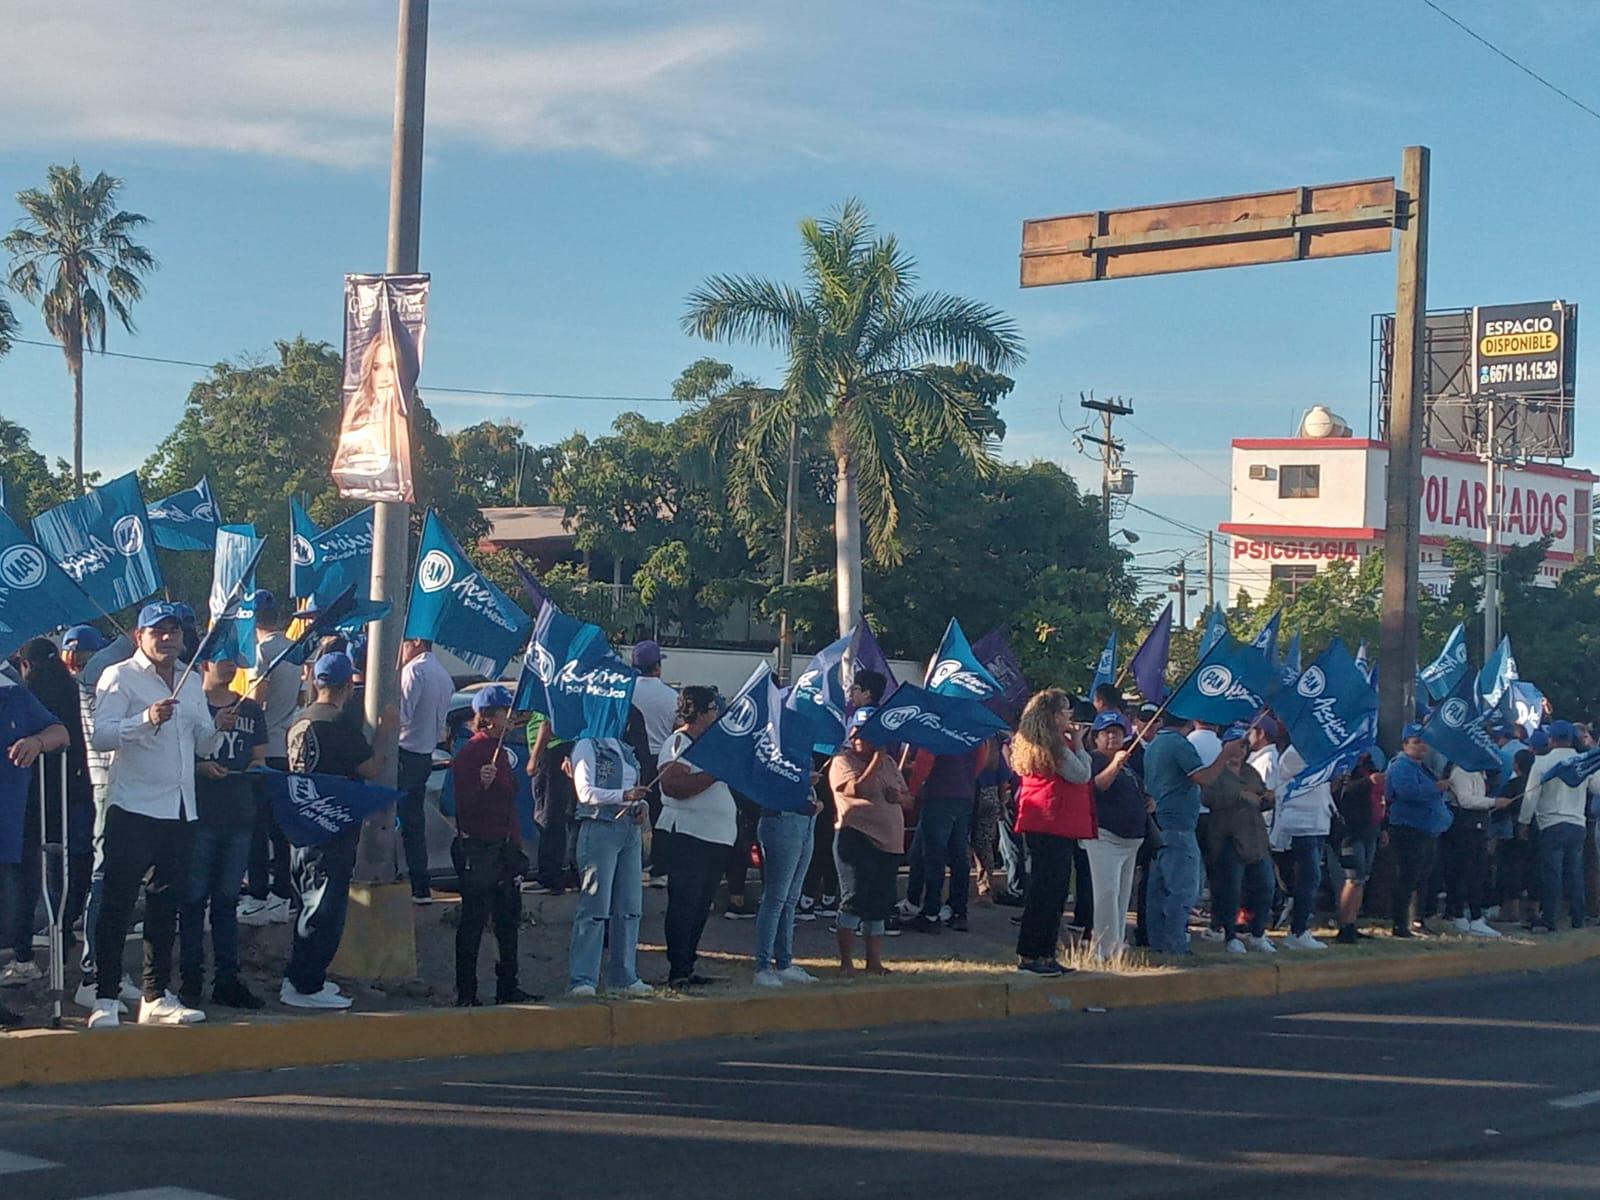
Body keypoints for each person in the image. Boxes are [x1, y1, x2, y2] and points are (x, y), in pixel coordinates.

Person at [88, 602, 231, 1029]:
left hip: (180, 807)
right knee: (117, 904)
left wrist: (219, 725)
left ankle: (155, 994)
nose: (167, 638)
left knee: (166, 905)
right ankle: (105, 995)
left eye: (173, 630)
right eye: (158, 631)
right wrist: (144, 719)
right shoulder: (119, 676)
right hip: (133, 805)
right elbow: (101, 736)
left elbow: (201, 743)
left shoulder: (190, 681)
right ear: (140, 637)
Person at [282, 652, 394, 1009]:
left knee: (307, 902)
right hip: (332, 827)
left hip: (303, 826)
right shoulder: (338, 726)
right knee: (325, 909)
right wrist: (387, 731)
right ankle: (305, 984)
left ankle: (305, 978)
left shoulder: (299, 721)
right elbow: (371, 768)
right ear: (348, 685)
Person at [178, 658, 267, 1009]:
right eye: (224, 661)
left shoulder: (251, 709)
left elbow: (259, 755)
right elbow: (177, 754)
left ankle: (227, 980)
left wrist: (255, 770)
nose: (230, 668)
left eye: (235, 662)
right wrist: (202, 765)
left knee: (227, 902)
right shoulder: (190, 705)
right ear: (205, 664)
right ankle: (189, 981)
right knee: (193, 900)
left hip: (239, 814)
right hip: (200, 815)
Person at [61, 626, 142, 1011]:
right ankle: (94, 975)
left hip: (132, 785)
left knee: (123, 881)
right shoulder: (103, 668)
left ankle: (110, 971)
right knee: (106, 876)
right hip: (109, 783)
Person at [449, 686, 536, 1007]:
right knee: (473, 922)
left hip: (502, 848)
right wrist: (481, 786)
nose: (510, 720)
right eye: (504, 713)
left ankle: (508, 985)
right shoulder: (472, 754)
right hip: (480, 849)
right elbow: (463, 806)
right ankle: (467, 991)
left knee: (508, 921)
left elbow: (510, 798)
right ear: (487, 719)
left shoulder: (497, 752)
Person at [0, 668, 69, 1022]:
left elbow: (60, 732)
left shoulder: (14, 696)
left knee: (6, 912)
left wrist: (37, 743)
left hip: (8, 822)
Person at [655, 687, 736, 989]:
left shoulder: (710, 746)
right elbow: (672, 785)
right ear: (700, 711)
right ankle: (677, 968)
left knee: (702, 905)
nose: (717, 715)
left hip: (715, 837)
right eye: (713, 709)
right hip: (688, 835)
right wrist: (714, 773)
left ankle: (688, 964)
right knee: (685, 903)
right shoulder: (679, 741)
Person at [567, 716, 653, 999]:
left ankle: (624, 975)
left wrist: (639, 803)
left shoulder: (623, 747)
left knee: (629, 906)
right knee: (594, 906)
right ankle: (583, 978)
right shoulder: (586, 744)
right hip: (599, 825)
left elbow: (632, 788)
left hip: (628, 826)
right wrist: (624, 794)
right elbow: (585, 792)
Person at [1010, 689, 1094, 976]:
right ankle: (1033, 954)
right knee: (1047, 892)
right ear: (1054, 715)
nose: (1071, 715)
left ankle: (1045, 954)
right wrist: (1080, 744)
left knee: (1051, 891)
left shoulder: (1032, 742)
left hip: (1043, 821)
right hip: (1052, 820)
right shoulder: (1055, 746)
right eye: (1066, 710)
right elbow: (1081, 773)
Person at [828, 708, 911, 977]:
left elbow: (909, 800)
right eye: (856, 731)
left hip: (888, 845)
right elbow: (856, 789)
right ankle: (846, 963)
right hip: (857, 837)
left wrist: (898, 797)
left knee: (879, 904)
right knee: (854, 899)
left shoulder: (890, 764)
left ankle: (874, 961)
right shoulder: (843, 761)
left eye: (866, 733)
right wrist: (875, 761)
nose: (859, 737)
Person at [1143, 711, 1229, 955]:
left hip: (1159, 823)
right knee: (1183, 888)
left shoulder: (1156, 744)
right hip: (1179, 824)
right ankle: (1175, 943)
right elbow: (1204, 777)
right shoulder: (1179, 745)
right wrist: (1225, 754)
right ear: (1188, 720)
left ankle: (1158, 941)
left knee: (1159, 888)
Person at [238, 591, 300, 928]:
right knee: (280, 830)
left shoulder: (262, 652)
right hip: (285, 745)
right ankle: (283, 893)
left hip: (264, 746)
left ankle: (260, 895)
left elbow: (256, 701)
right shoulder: (294, 649)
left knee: (256, 827)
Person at [807, 670, 885, 921]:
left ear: (867, 693)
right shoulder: (875, 716)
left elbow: (859, 749)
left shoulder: (864, 717)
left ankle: (826, 900)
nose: (850, 693)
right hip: (862, 790)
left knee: (834, 839)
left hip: (850, 788)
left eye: (855, 689)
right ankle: (830, 896)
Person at [1202, 725, 1276, 954]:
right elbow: (1208, 798)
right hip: (1227, 839)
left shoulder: (1251, 772)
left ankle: (1257, 933)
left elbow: (1261, 796)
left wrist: (1268, 798)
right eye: (1234, 746)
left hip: (1255, 839)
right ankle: (1230, 936)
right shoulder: (1215, 772)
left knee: (1265, 887)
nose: (1239, 751)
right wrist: (1239, 796)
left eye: (1243, 746)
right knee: (1230, 890)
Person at [1519, 720, 1596, 932]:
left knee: (1552, 874)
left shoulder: (1541, 762)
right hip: (1577, 823)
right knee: (1575, 873)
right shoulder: (1582, 761)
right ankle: (1578, 918)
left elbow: (1531, 795)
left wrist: (1524, 822)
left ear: (1551, 739)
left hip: (1551, 824)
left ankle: (1550, 919)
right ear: (1572, 738)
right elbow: (1597, 787)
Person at [1083, 712, 1149, 961]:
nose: (1112, 737)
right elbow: (1097, 786)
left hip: (1130, 840)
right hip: (1105, 837)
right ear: (1097, 737)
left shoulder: (1129, 766)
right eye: (1107, 732)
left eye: (1117, 732)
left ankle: (1117, 944)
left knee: (1121, 897)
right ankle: (1101, 948)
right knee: (1106, 894)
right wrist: (1115, 764)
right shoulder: (1094, 759)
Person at [909, 740, 989, 934]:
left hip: (938, 794)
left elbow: (924, 760)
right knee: (959, 854)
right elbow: (982, 759)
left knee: (933, 855)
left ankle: (930, 912)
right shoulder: (974, 729)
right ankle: (957, 910)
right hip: (964, 794)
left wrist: (912, 790)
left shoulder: (937, 727)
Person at [397, 638, 453, 904]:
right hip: (424, 753)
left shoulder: (414, 671)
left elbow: (401, 716)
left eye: (404, 642)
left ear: (417, 642)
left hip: (404, 753)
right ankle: (420, 884)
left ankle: (405, 880)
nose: (401, 649)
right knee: (413, 822)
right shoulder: (443, 675)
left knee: (389, 817)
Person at [1386, 723, 1453, 938]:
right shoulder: (1401, 766)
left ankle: (1418, 919)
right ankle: (1400, 924)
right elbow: (1407, 791)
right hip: (1409, 829)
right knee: (1408, 877)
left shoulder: (1422, 767)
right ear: (1406, 744)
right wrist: (1435, 788)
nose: (1422, 746)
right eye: (1416, 742)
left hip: (1427, 830)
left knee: (1423, 878)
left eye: (1424, 741)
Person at [1271, 741, 1337, 950]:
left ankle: (1300, 928)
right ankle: (1298, 931)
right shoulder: (1295, 753)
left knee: (1312, 878)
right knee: (1309, 877)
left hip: (1318, 821)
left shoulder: (1320, 750)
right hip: (1301, 822)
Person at [1442, 760, 1505, 937]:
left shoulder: (1478, 770)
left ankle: (1461, 914)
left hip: (1476, 824)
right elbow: (1466, 799)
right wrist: (1493, 802)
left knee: (1469, 871)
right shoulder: (1463, 770)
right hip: (1468, 826)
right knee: (1470, 871)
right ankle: (1471, 916)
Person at [1332, 753, 1385, 944]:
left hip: (1370, 828)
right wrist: (1367, 782)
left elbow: (1379, 799)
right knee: (1353, 878)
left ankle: (1352, 922)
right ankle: (1343, 926)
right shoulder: (1342, 765)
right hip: (1349, 831)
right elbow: (1339, 793)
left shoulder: (1370, 765)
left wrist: (1383, 828)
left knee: (1362, 879)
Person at [527, 708, 578, 894]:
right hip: (566, 749)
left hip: (550, 752)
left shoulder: (547, 688)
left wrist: (533, 758)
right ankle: (575, 874)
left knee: (548, 816)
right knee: (570, 815)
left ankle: (550, 877)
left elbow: (546, 726)